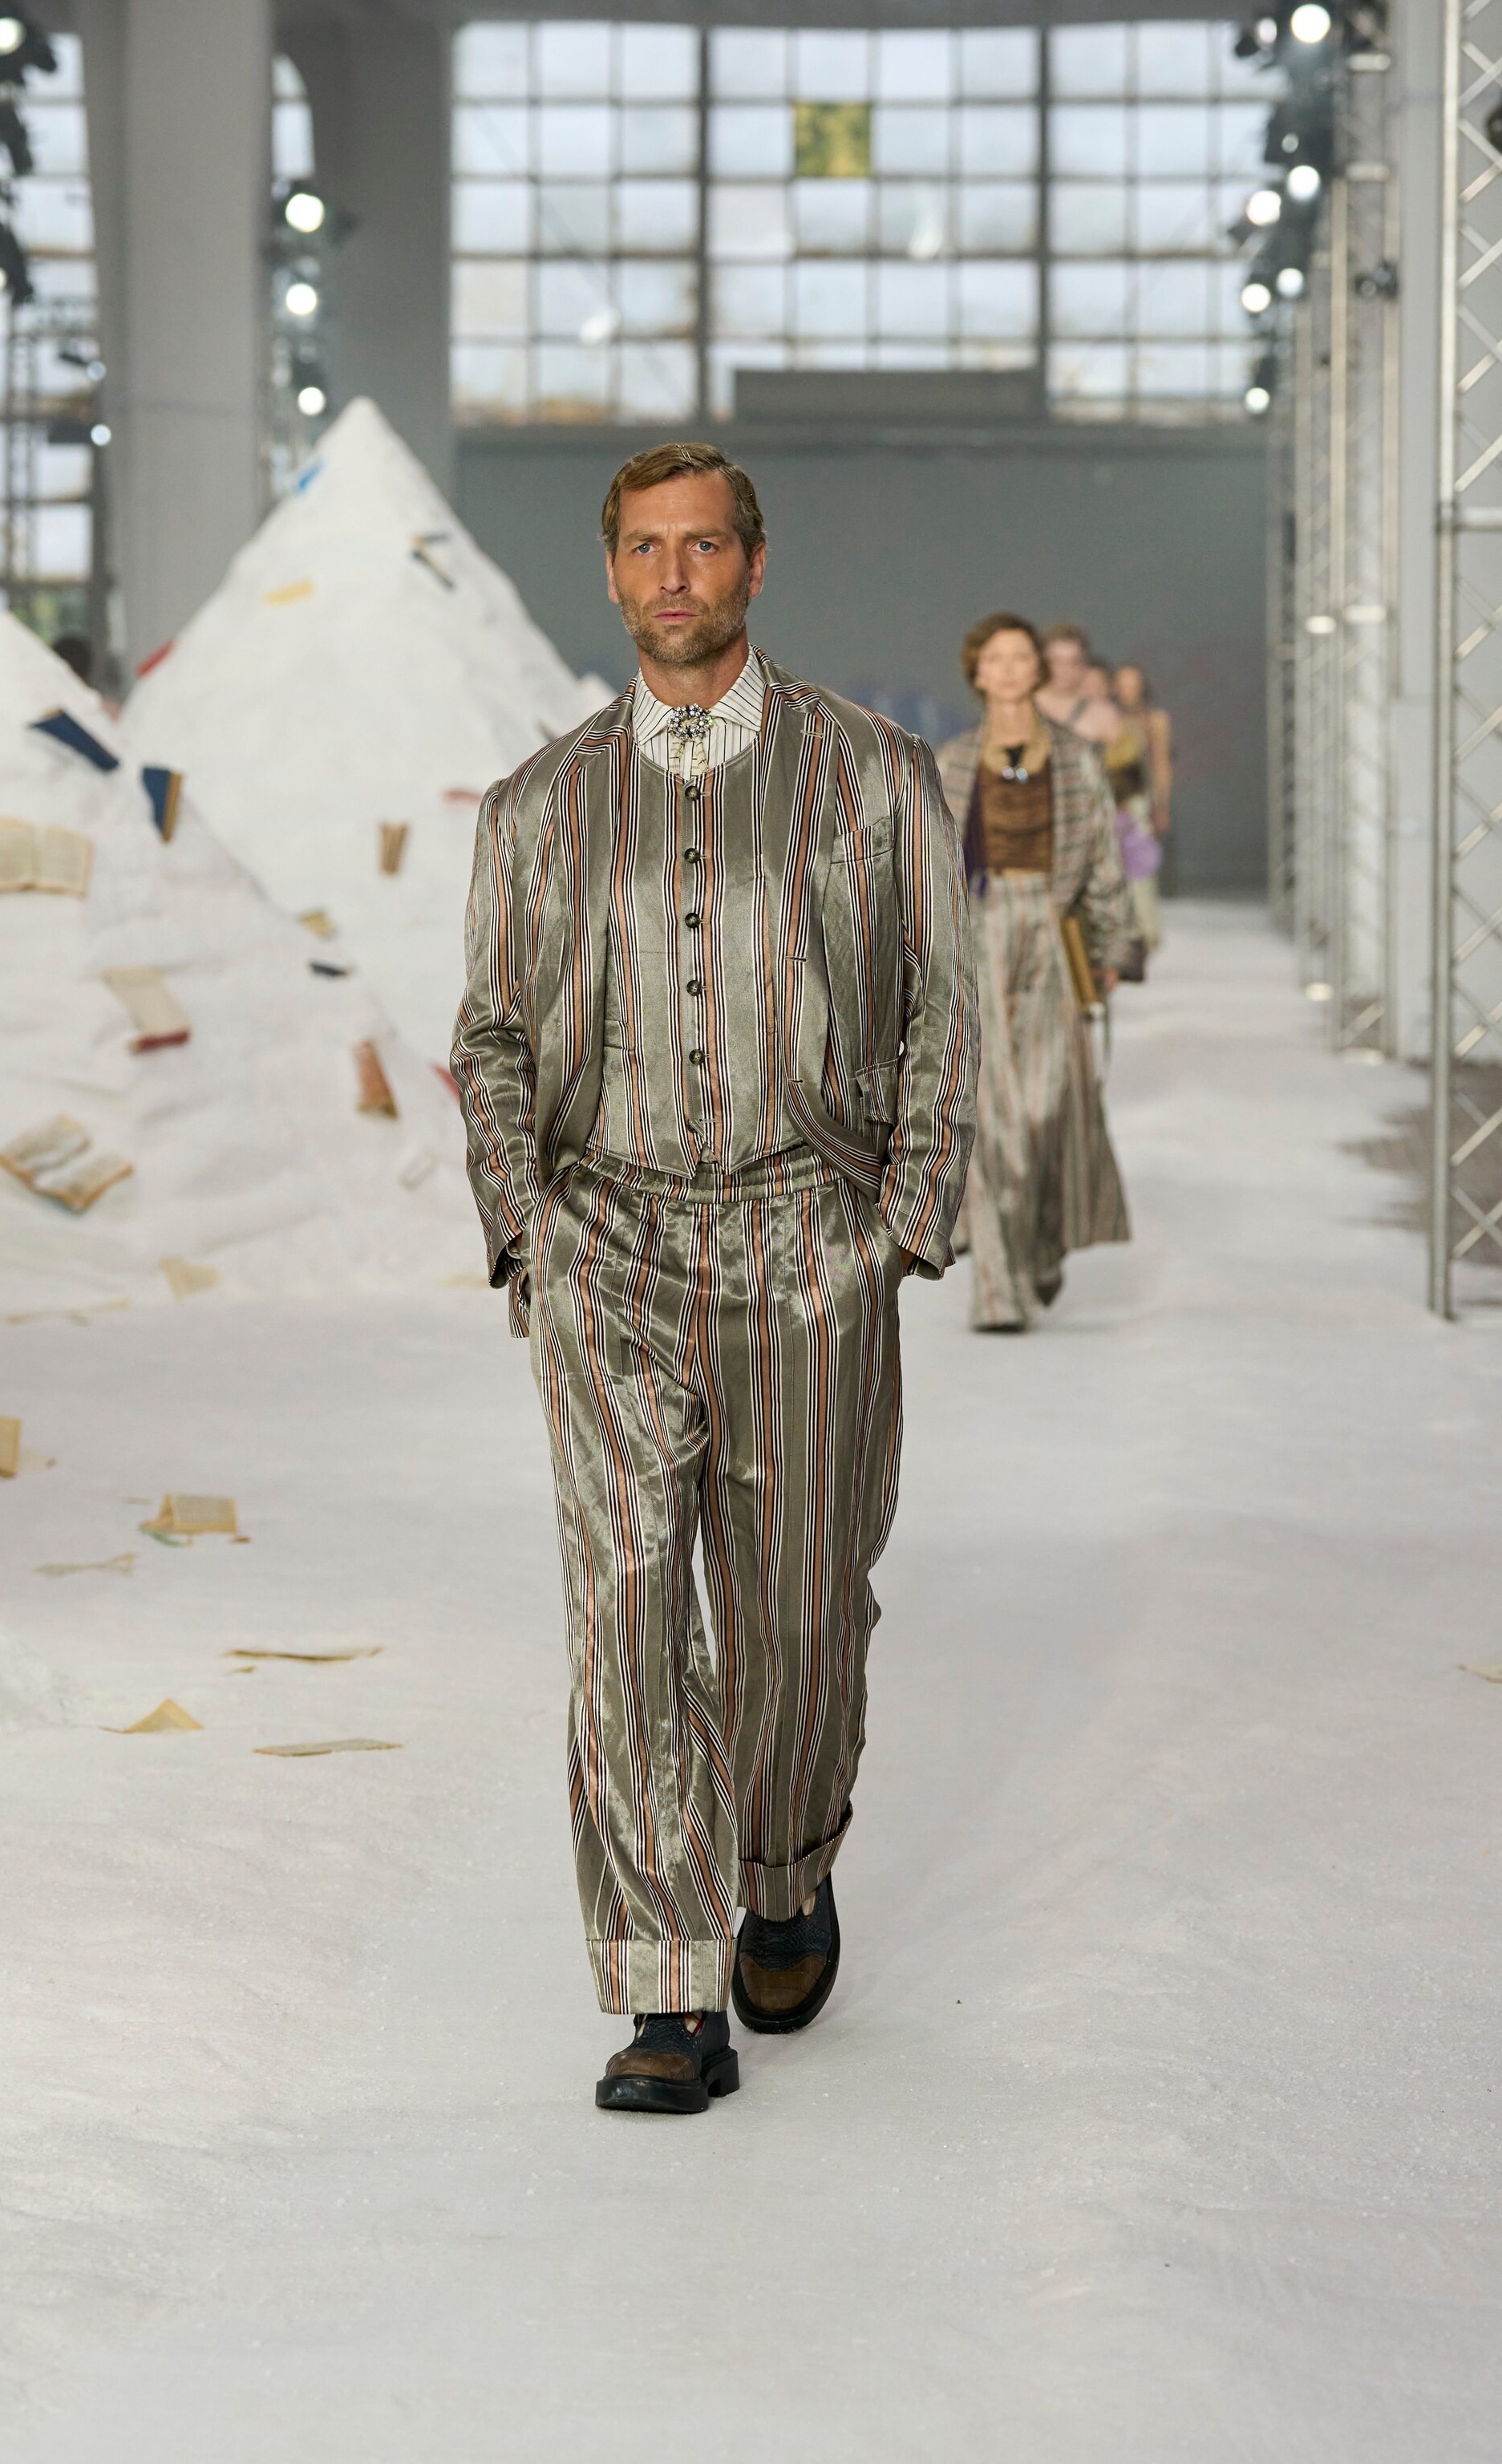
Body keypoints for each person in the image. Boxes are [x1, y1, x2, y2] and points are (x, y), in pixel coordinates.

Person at [451, 441, 977, 2116]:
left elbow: (943, 1004)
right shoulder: (536, 806)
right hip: (604, 1244)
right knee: (622, 1619)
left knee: (797, 1617)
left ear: (755, 563)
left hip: (806, 1242)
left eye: (700, 546)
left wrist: (897, 1226)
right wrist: (528, 1228)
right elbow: (490, 1036)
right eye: (642, 548)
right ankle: (665, 1987)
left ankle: (784, 1860)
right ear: (609, 573)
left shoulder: (873, 774)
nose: (671, 575)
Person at [937, 613, 1140, 1332]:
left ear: (1038, 669)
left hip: (1052, 932)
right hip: (980, 933)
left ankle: (1043, 1239)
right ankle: (998, 1287)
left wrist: (1112, 949)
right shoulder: (951, 762)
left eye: (1021, 656)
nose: (1009, 669)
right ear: (977, 672)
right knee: (993, 1114)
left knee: (1048, 1106)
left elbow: (1104, 861)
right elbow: (927, 871)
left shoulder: (1077, 758)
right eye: (994, 658)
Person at [1109, 663, 1172, 955]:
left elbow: (1160, 764)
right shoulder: (1106, 718)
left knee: (1140, 865)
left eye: (1133, 685)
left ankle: (1145, 930)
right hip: (1109, 800)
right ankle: (1118, 929)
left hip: (1137, 800)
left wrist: (1161, 805)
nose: (1128, 691)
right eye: (1123, 685)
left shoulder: (1155, 720)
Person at [1035, 622, 1121, 749]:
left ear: (1084, 665)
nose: (1064, 670)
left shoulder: (1103, 715)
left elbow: (1122, 759)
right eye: (1056, 661)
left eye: (1073, 662)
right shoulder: (1024, 708)